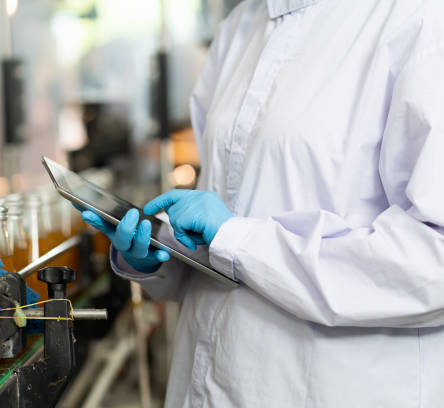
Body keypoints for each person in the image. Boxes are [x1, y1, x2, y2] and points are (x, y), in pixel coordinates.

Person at [79, 0, 444, 406]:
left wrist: (238, 239)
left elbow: (434, 263)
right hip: (208, 382)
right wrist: (161, 253)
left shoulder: (418, 18)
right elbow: (222, 222)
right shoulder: (240, 26)